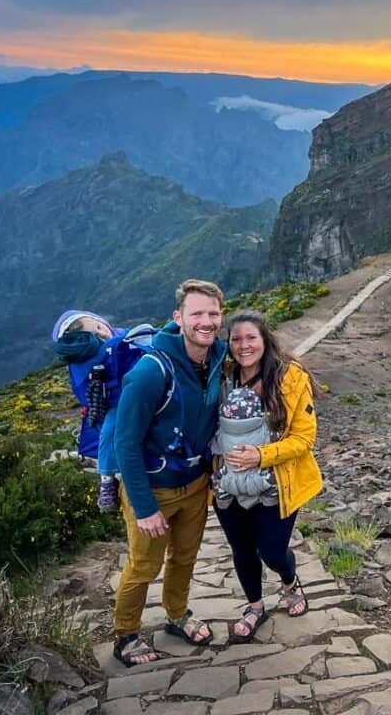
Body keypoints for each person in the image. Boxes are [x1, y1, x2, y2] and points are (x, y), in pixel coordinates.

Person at [112, 279, 227, 667]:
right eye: (197, 313)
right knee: (144, 565)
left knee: (185, 558)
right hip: (154, 488)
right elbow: (125, 443)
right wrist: (144, 507)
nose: (206, 322)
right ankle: (126, 634)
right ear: (178, 318)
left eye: (213, 314)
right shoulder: (150, 372)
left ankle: (177, 615)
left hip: (195, 484)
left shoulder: (215, 362)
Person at [211, 309, 323, 643]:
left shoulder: (289, 377)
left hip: (277, 483)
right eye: (236, 339)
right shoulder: (221, 375)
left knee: (272, 550)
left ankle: (290, 582)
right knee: (242, 548)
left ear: (265, 339)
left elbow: (304, 438)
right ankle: (255, 605)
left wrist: (261, 456)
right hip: (228, 483)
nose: (243, 346)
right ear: (228, 343)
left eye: (251, 338)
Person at [52, 310, 123, 512]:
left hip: (142, 394)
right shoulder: (88, 357)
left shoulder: (123, 335)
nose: (103, 333)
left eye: (100, 327)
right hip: (115, 404)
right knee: (111, 429)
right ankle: (107, 478)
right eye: (96, 333)